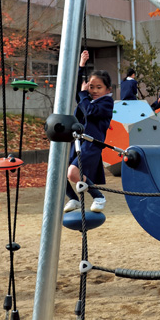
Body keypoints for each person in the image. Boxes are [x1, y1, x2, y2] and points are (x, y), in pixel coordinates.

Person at [63, 51, 114, 213]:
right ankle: (73, 198)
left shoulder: (106, 103)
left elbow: (90, 111)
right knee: (57, 171)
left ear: (108, 89)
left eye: (99, 87)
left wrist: (84, 94)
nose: (94, 90)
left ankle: (99, 196)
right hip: (77, 141)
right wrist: (81, 65)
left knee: (73, 173)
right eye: (91, 87)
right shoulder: (86, 99)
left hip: (92, 143)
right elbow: (80, 90)